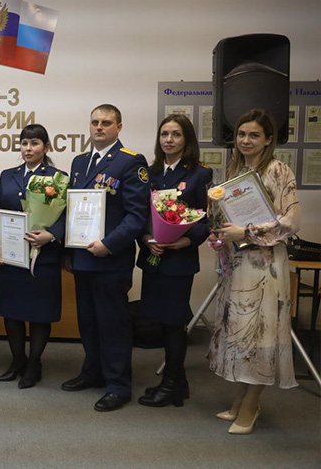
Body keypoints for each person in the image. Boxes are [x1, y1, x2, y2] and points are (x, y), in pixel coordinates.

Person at [207, 108, 300, 434]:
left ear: (268, 140)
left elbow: (289, 223)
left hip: (266, 267)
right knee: (240, 333)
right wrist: (219, 232)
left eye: (254, 135)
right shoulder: (235, 171)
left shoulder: (278, 171)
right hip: (238, 265)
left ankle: (250, 406)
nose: (245, 140)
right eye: (241, 134)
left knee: (261, 334)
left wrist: (244, 233)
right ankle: (241, 399)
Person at [61, 104, 148, 412]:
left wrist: (109, 244)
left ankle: (118, 385)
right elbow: (72, 211)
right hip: (82, 258)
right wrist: (68, 252)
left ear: (118, 127)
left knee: (113, 324)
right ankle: (93, 372)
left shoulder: (131, 162)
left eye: (106, 123)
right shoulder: (79, 161)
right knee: (88, 321)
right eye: (95, 122)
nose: (99, 127)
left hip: (110, 259)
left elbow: (137, 216)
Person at [136, 115, 212, 407]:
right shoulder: (150, 172)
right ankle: (177, 382)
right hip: (154, 256)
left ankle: (171, 384)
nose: (169, 139)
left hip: (179, 259)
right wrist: (145, 238)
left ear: (187, 140)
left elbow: (207, 217)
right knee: (160, 320)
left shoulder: (199, 174)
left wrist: (186, 240)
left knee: (174, 322)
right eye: (164, 134)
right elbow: (140, 212)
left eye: (176, 135)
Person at [0, 124, 67, 389]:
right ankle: (17, 360)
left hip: (43, 256)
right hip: (13, 255)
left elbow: (67, 216)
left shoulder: (58, 178)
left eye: (34, 143)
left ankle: (34, 363)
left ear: (46, 147)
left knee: (39, 314)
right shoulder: (8, 176)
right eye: (24, 143)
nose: (28, 149)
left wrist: (52, 234)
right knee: (12, 312)